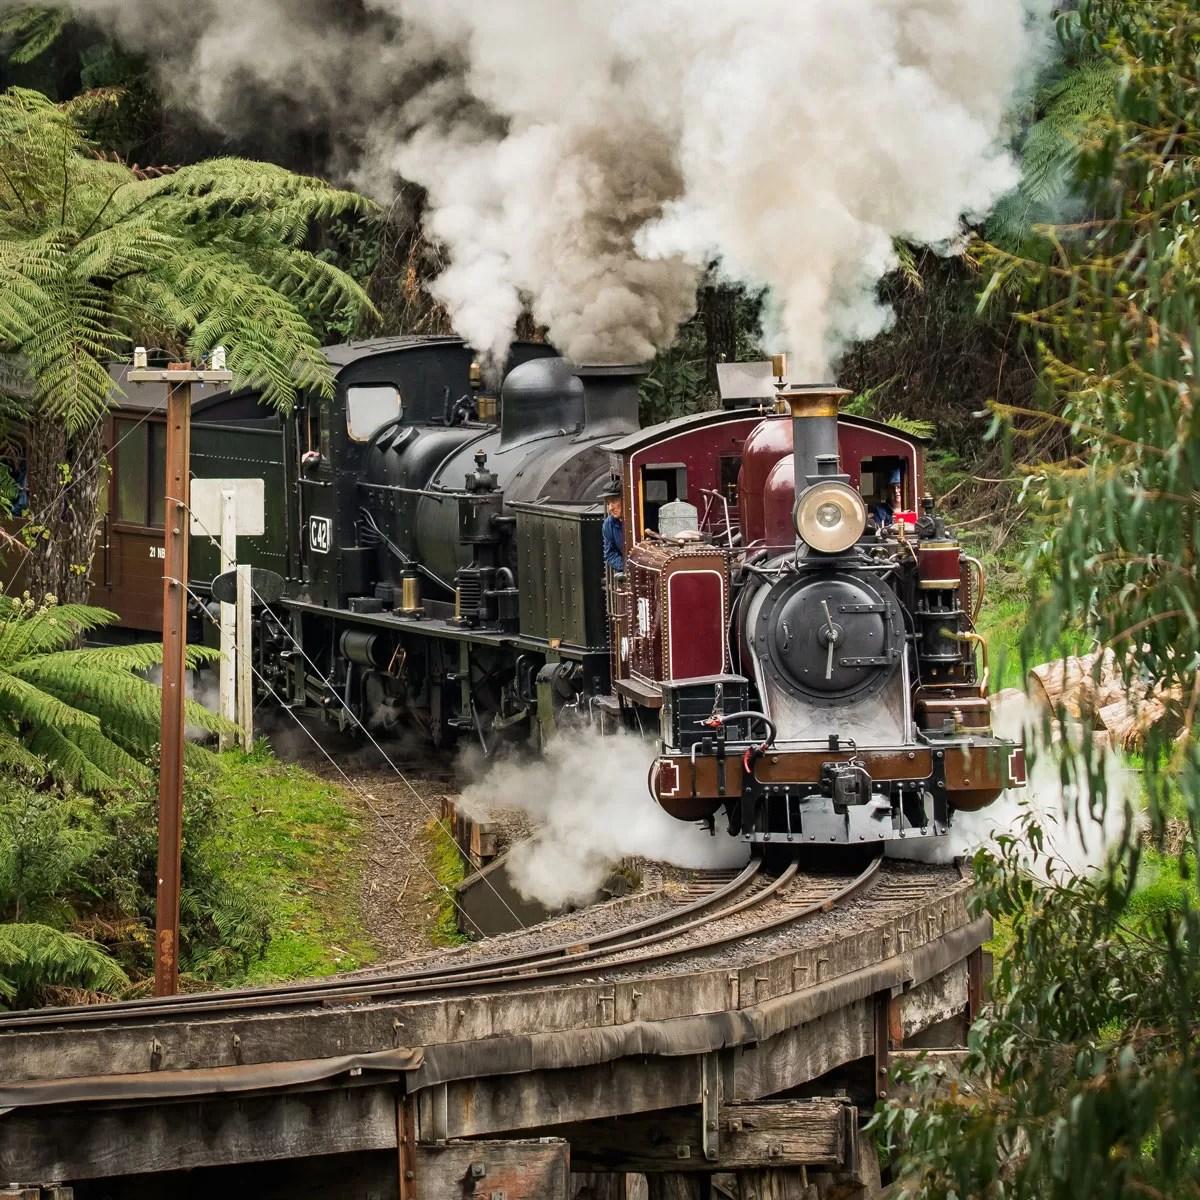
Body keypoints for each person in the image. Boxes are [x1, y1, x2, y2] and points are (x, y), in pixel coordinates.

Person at [599, 480, 624, 572]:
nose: (610, 508)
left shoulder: (649, 514)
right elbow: (610, 554)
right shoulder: (608, 524)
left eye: (614, 501)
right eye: (608, 503)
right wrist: (625, 567)